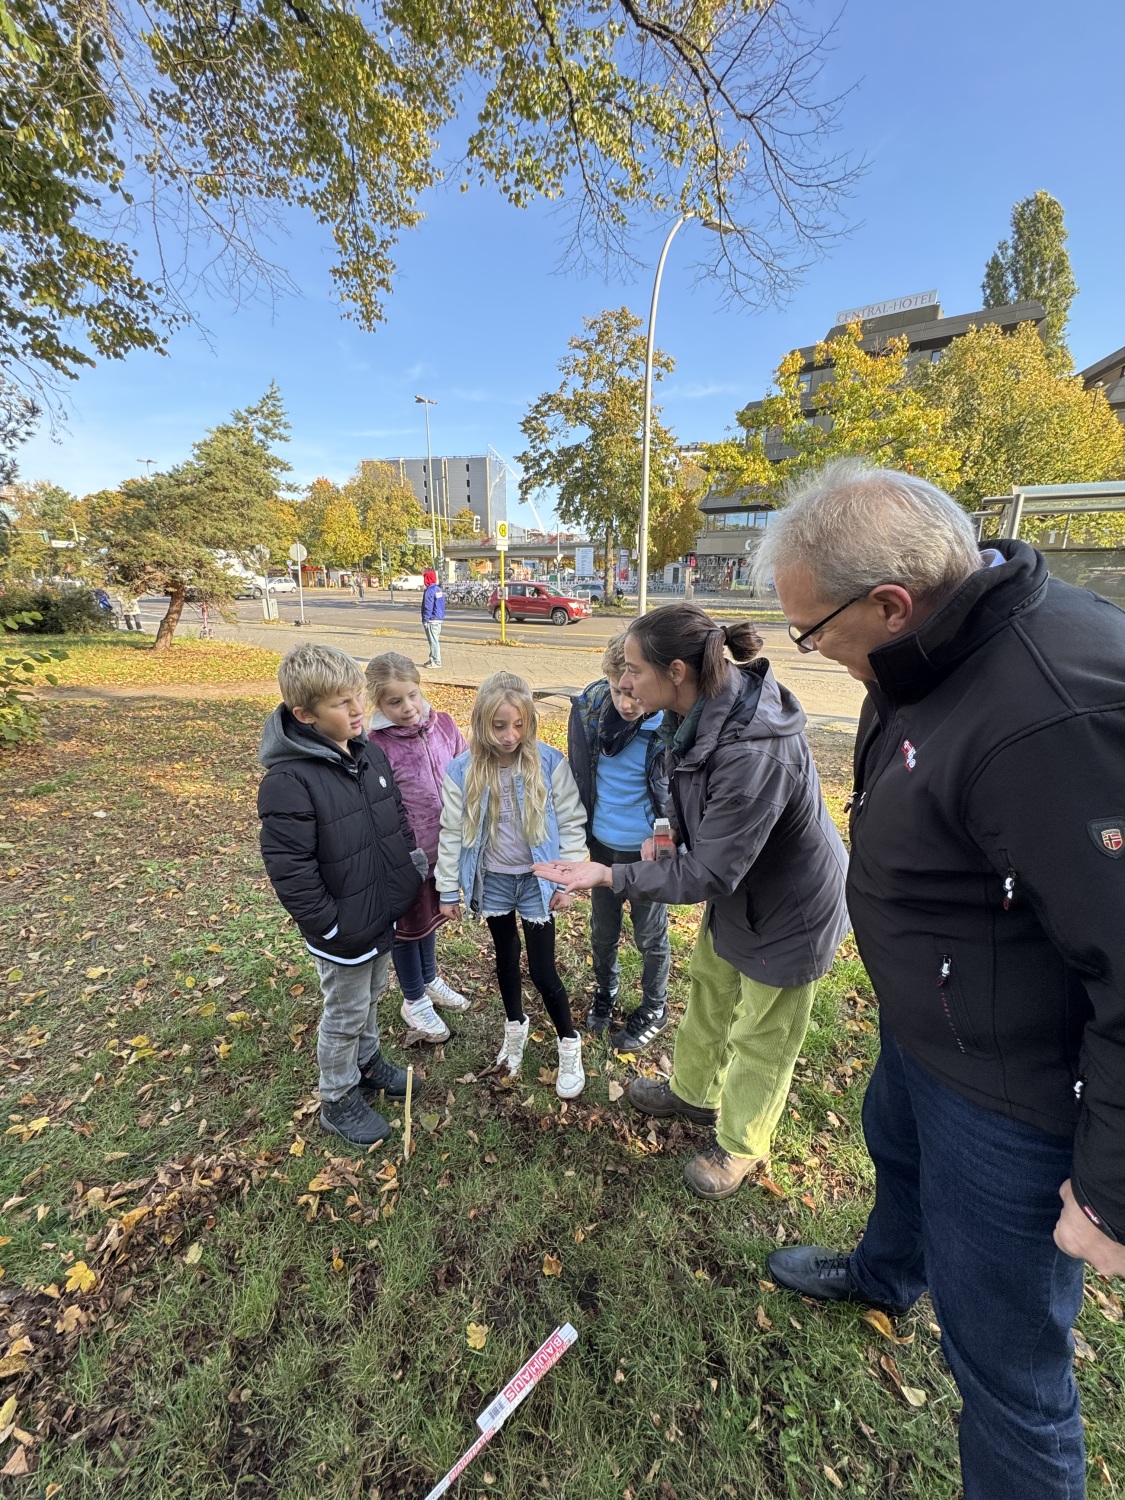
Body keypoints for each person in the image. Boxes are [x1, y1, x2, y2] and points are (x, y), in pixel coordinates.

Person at [752, 458, 1125, 1500]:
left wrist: (1110, 1191)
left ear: (889, 603)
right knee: (896, 1156)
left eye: (812, 631)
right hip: (935, 1028)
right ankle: (884, 1272)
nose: (810, 652)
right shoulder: (927, 654)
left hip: (1014, 1099)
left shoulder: (1053, 714)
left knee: (1007, 1369)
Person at [536, 603, 848, 1200]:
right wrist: (672, 832)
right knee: (709, 987)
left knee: (763, 1033)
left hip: (789, 912)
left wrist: (610, 874)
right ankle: (695, 1091)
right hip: (740, 893)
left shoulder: (754, 749)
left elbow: (708, 873)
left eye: (631, 669)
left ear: (675, 670)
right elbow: (694, 801)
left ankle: (739, 1143)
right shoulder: (696, 711)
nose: (621, 683)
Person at [257, 643, 427, 1147]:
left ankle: (368, 1062)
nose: (358, 710)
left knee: (373, 996)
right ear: (305, 714)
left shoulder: (368, 752)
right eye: (341, 703)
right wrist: (327, 924)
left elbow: (394, 815)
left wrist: (408, 870)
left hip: (379, 910)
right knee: (345, 1011)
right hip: (340, 928)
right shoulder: (289, 781)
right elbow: (290, 870)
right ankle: (337, 1096)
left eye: (357, 697)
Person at [435, 670, 589, 1098]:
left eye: (519, 725)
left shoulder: (550, 763)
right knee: (505, 961)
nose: (509, 736)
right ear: (482, 722)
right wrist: (448, 888)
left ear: (531, 722)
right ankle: (515, 1030)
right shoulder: (462, 771)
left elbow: (573, 823)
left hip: (538, 882)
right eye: (499, 726)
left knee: (542, 969)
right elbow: (450, 832)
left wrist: (568, 879)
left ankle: (568, 1042)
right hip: (495, 881)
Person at [567, 634, 671, 1052]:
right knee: (602, 932)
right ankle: (605, 992)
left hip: (645, 851)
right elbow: (579, 774)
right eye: (617, 691)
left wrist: (668, 836)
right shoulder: (592, 710)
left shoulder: (668, 721)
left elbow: (678, 786)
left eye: (633, 693)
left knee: (650, 935)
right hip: (602, 847)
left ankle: (654, 1006)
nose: (626, 703)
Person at [366, 652, 469, 1042]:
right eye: (394, 702)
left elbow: (465, 768)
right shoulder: (376, 744)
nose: (407, 708)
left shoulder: (442, 724)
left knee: (428, 921)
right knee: (407, 929)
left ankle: (429, 979)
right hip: (403, 858)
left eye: (412, 695)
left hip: (442, 850)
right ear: (378, 702)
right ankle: (413, 998)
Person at [421, 569, 445, 667]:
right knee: (434, 640)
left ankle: (436, 661)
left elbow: (428, 606)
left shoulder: (429, 591)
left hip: (431, 620)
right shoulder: (438, 589)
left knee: (433, 641)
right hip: (438, 618)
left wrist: (425, 619)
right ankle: (432, 659)